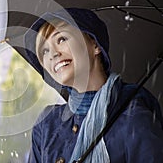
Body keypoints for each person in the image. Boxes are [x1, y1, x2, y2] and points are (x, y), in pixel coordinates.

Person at [24, 8, 163, 163]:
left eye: (62, 39)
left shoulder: (132, 115)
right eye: (44, 51)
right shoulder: (47, 126)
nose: (53, 54)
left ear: (95, 45)